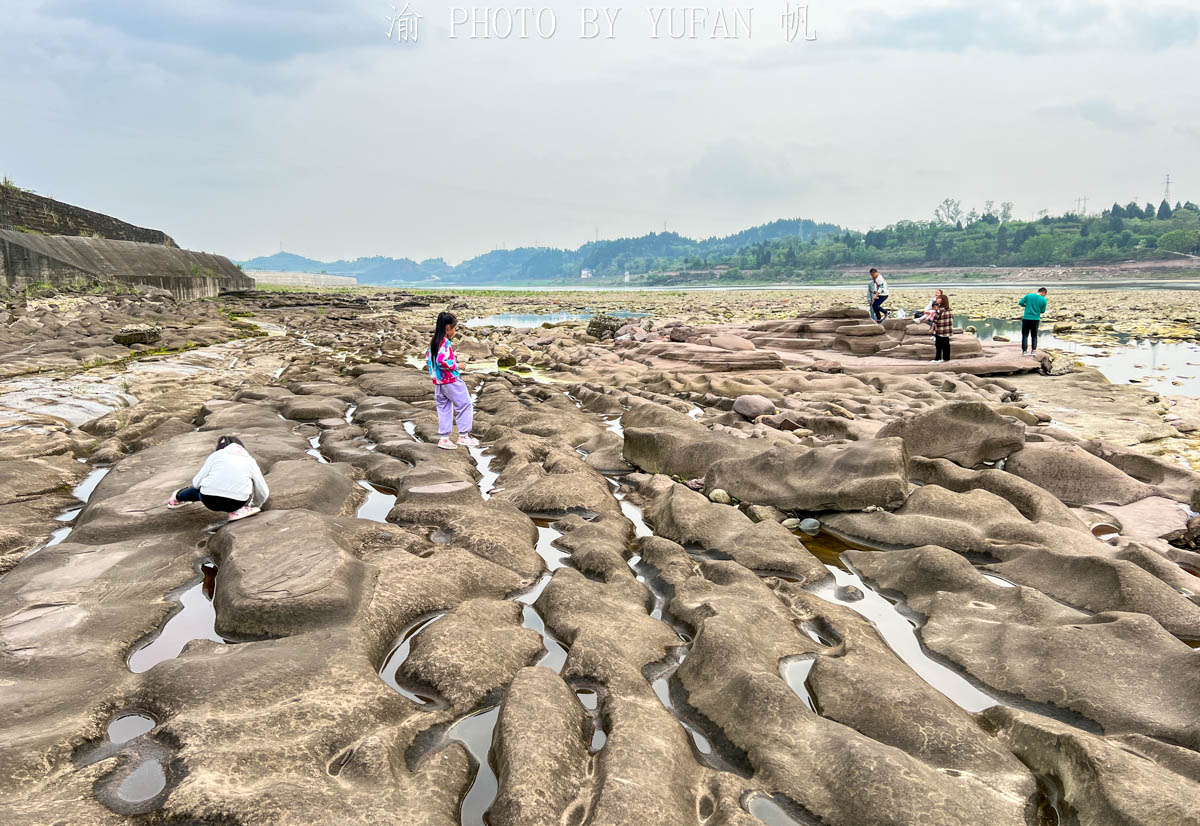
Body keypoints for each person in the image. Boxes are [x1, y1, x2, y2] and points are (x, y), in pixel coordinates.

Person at [167, 435, 269, 521]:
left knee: (198, 492)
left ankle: (176, 498)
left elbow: (196, 483)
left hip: (209, 501)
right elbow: (263, 491)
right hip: (236, 503)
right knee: (246, 486)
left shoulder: (216, 455)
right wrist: (254, 505)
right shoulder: (250, 461)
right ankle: (238, 511)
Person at [427, 311, 478, 451]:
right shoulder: (444, 342)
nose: (455, 331)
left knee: (444, 408)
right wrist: (457, 366)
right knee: (465, 404)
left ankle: (444, 439)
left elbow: (430, 361)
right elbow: (441, 361)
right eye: (455, 328)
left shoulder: (434, 342)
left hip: (439, 383)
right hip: (450, 380)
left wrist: (434, 376)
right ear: (447, 327)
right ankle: (463, 435)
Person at [1019, 287, 1048, 355]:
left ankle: (1024, 351)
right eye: (1045, 294)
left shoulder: (1028, 296)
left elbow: (1020, 303)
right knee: (1034, 335)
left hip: (1026, 318)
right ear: (1043, 293)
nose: (1044, 296)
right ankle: (1033, 351)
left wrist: (1026, 305)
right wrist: (1037, 309)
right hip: (1035, 319)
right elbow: (1043, 311)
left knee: (1025, 335)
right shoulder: (1044, 300)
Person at [929, 294, 954, 363]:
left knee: (938, 345)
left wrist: (932, 328)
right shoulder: (949, 309)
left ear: (943, 300)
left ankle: (938, 358)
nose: (937, 300)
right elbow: (952, 318)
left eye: (939, 299)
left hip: (940, 329)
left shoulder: (940, 310)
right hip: (947, 330)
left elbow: (935, 320)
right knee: (946, 344)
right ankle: (946, 358)